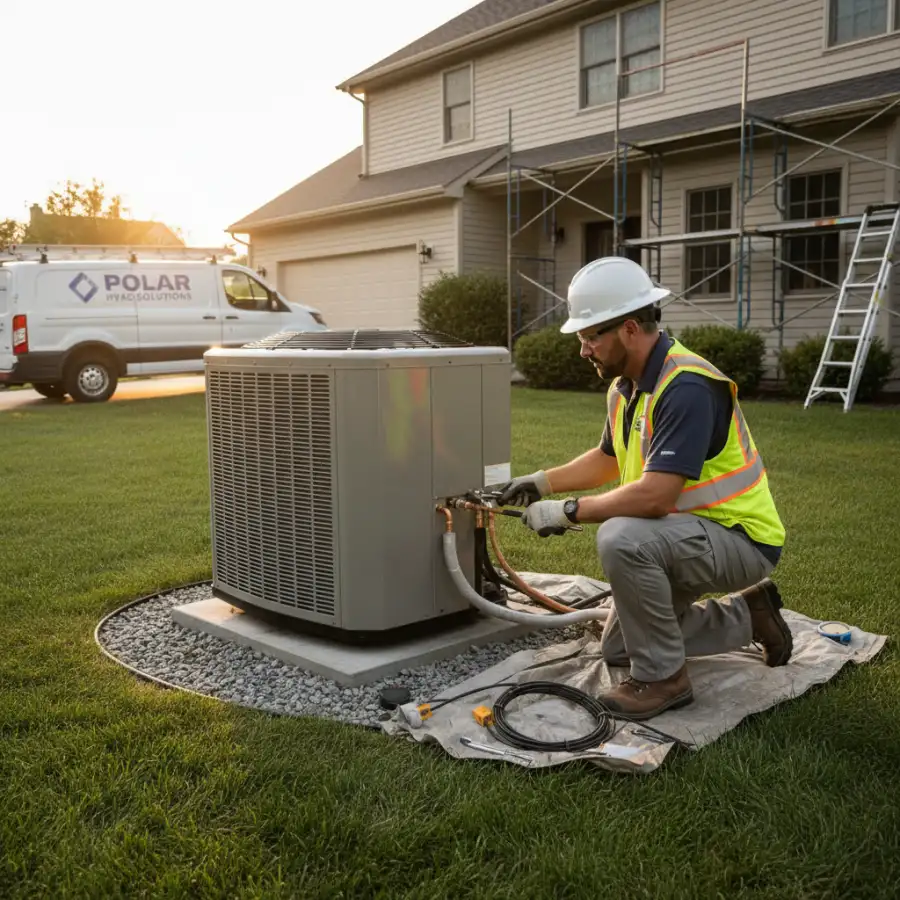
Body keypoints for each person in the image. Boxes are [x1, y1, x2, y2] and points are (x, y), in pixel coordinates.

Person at [498, 256, 791, 720]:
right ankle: (749, 617)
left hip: (740, 539)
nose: (583, 349)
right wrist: (540, 483)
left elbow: (655, 497)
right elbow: (606, 459)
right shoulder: (626, 386)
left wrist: (566, 511)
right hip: (684, 536)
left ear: (630, 328)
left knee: (620, 537)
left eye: (591, 336)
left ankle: (663, 680)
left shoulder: (687, 386)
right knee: (620, 647)